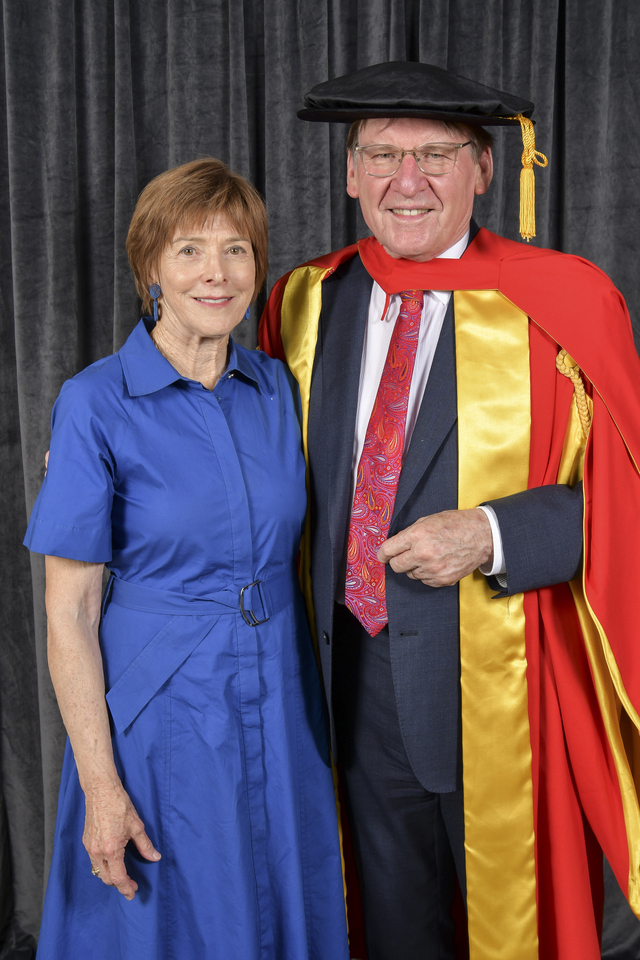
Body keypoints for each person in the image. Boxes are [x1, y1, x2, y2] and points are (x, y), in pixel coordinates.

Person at [260, 62, 640, 960]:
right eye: (382, 155)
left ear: (484, 169)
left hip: (509, 686)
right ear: (350, 172)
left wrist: (492, 532)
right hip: (351, 689)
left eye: (435, 155)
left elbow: (627, 493)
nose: (408, 181)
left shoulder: (565, 301)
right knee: (391, 930)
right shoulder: (307, 298)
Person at [24, 158, 349, 960]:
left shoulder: (279, 389)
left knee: (280, 899)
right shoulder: (94, 403)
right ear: (151, 270)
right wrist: (101, 785)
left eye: (237, 250)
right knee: (168, 914)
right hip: (162, 705)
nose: (217, 273)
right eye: (190, 251)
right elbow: (69, 613)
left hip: (280, 691)